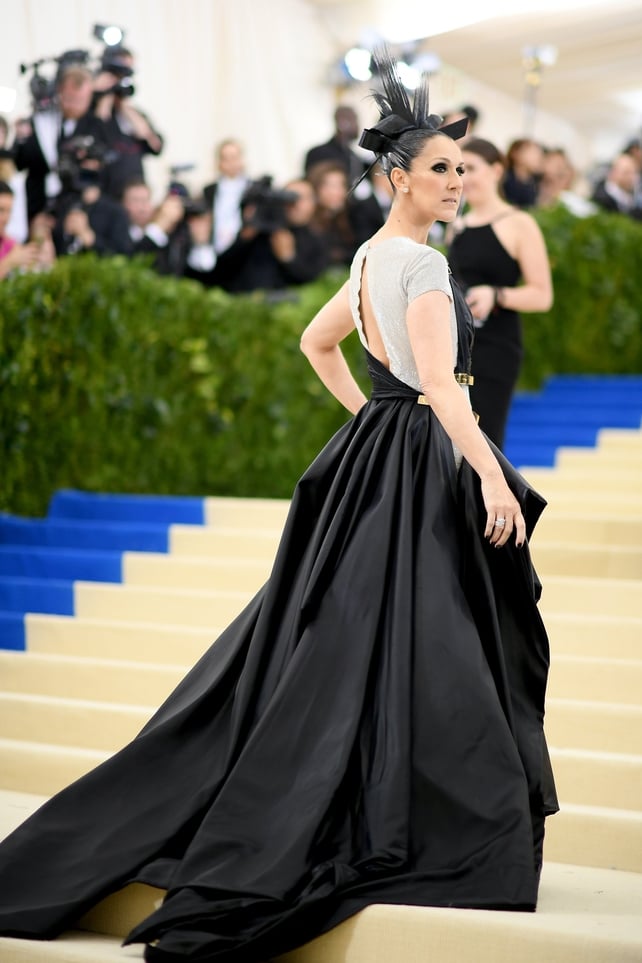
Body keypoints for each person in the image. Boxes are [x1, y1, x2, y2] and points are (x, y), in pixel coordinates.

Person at [0, 48, 557, 963]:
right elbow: (447, 394)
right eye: (440, 170)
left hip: (378, 450)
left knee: (367, 635)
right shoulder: (415, 265)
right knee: (429, 636)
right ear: (396, 178)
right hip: (419, 456)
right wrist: (489, 475)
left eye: (462, 169)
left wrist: (376, 417)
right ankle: (423, 812)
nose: (456, 182)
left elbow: (319, 343)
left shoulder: (371, 254)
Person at [447, 137, 553, 450]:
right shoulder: (457, 225)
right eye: (458, 170)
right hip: (456, 347)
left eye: (471, 169)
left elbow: (542, 296)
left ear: (496, 170)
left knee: (486, 440)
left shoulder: (519, 223)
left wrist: (497, 295)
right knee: (453, 445)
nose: (463, 178)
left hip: (496, 347)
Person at [13, 64, 109, 224]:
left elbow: (105, 162)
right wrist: (21, 139)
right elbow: (20, 162)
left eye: (81, 100)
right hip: (39, 202)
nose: (74, 106)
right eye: (70, 99)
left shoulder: (96, 125)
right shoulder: (41, 121)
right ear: (59, 93)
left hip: (77, 204)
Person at [92, 46, 164, 200]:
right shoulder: (95, 112)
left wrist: (125, 106)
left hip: (134, 197)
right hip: (106, 194)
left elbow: (155, 145)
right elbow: (97, 128)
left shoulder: (133, 114)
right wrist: (103, 95)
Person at [202, 138, 250, 255]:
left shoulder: (252, 189)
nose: (230, 163)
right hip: (217, 248)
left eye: (234, 157)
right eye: (225, 158)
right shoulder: (209, 190)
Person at [304, 104, 369, 186]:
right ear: (342, 122)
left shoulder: (355, 158)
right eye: (353, 120)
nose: (357, 126)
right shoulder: (318, 153)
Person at [591, 151, 642, 219]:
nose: (631, 178)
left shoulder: (630, 198)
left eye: (634, 173)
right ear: (613, 172)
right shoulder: (602, 199)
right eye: (627, 172)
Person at [502, 137, 544, 209]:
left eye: (539, 154)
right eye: (532, 153)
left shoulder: (535, 183)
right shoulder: (504, 177)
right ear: (515, 153)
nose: (537, 158)